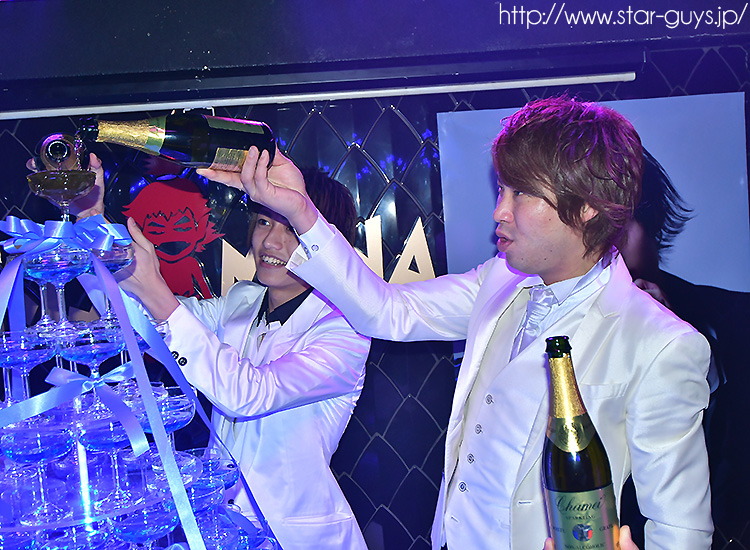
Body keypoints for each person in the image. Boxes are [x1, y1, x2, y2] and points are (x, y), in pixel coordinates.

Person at [198, 97, 713, 550]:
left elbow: (680, 527)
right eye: (501, 190)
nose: (499, 212)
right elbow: (385, 311)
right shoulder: (500, 280)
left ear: (586, 211)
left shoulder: (660, 343)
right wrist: (298, 210)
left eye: (520, 193)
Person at [115, 165, 371, 550]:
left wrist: (158, 295)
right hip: (219, 528)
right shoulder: (243, 300)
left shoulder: (345, 330)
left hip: (295, 538)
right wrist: (87, 216)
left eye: (293, 230)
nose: (271, 241)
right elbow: (143, 317)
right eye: (265, 222)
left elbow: (249, 393)